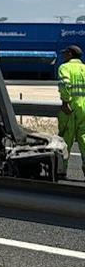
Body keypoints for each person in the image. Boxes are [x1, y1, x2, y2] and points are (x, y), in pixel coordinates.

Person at [57, 45, 85, 178]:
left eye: (65, 53)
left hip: (71, 108)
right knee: (84, 138)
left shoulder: (65, 67)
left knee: (65, 139)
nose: (63, 56)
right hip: (84, 108)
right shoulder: (84, 68)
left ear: (70, 54)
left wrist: (65, 101)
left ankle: (61, 170)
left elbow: (65, 84)